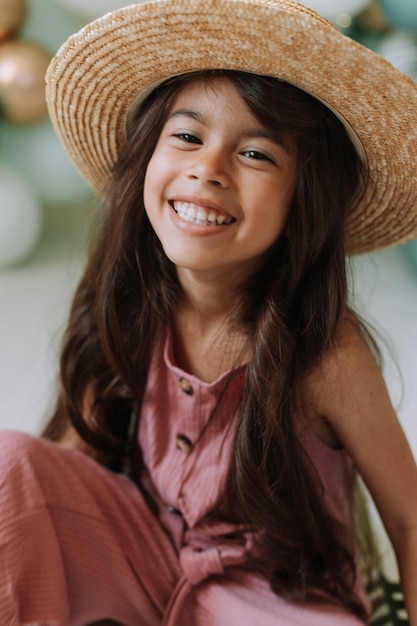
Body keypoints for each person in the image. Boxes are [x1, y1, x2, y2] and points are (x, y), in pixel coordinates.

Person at [1, 0, 417, 624]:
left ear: (305, 199)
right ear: (147, 156)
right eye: (188, 136)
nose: (209, 169)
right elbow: (63, 468)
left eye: (257, 154)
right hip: (138, 554)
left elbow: (409, 521)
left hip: (269, 593)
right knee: (12, 467)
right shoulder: (135, 297)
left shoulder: (327, 351)